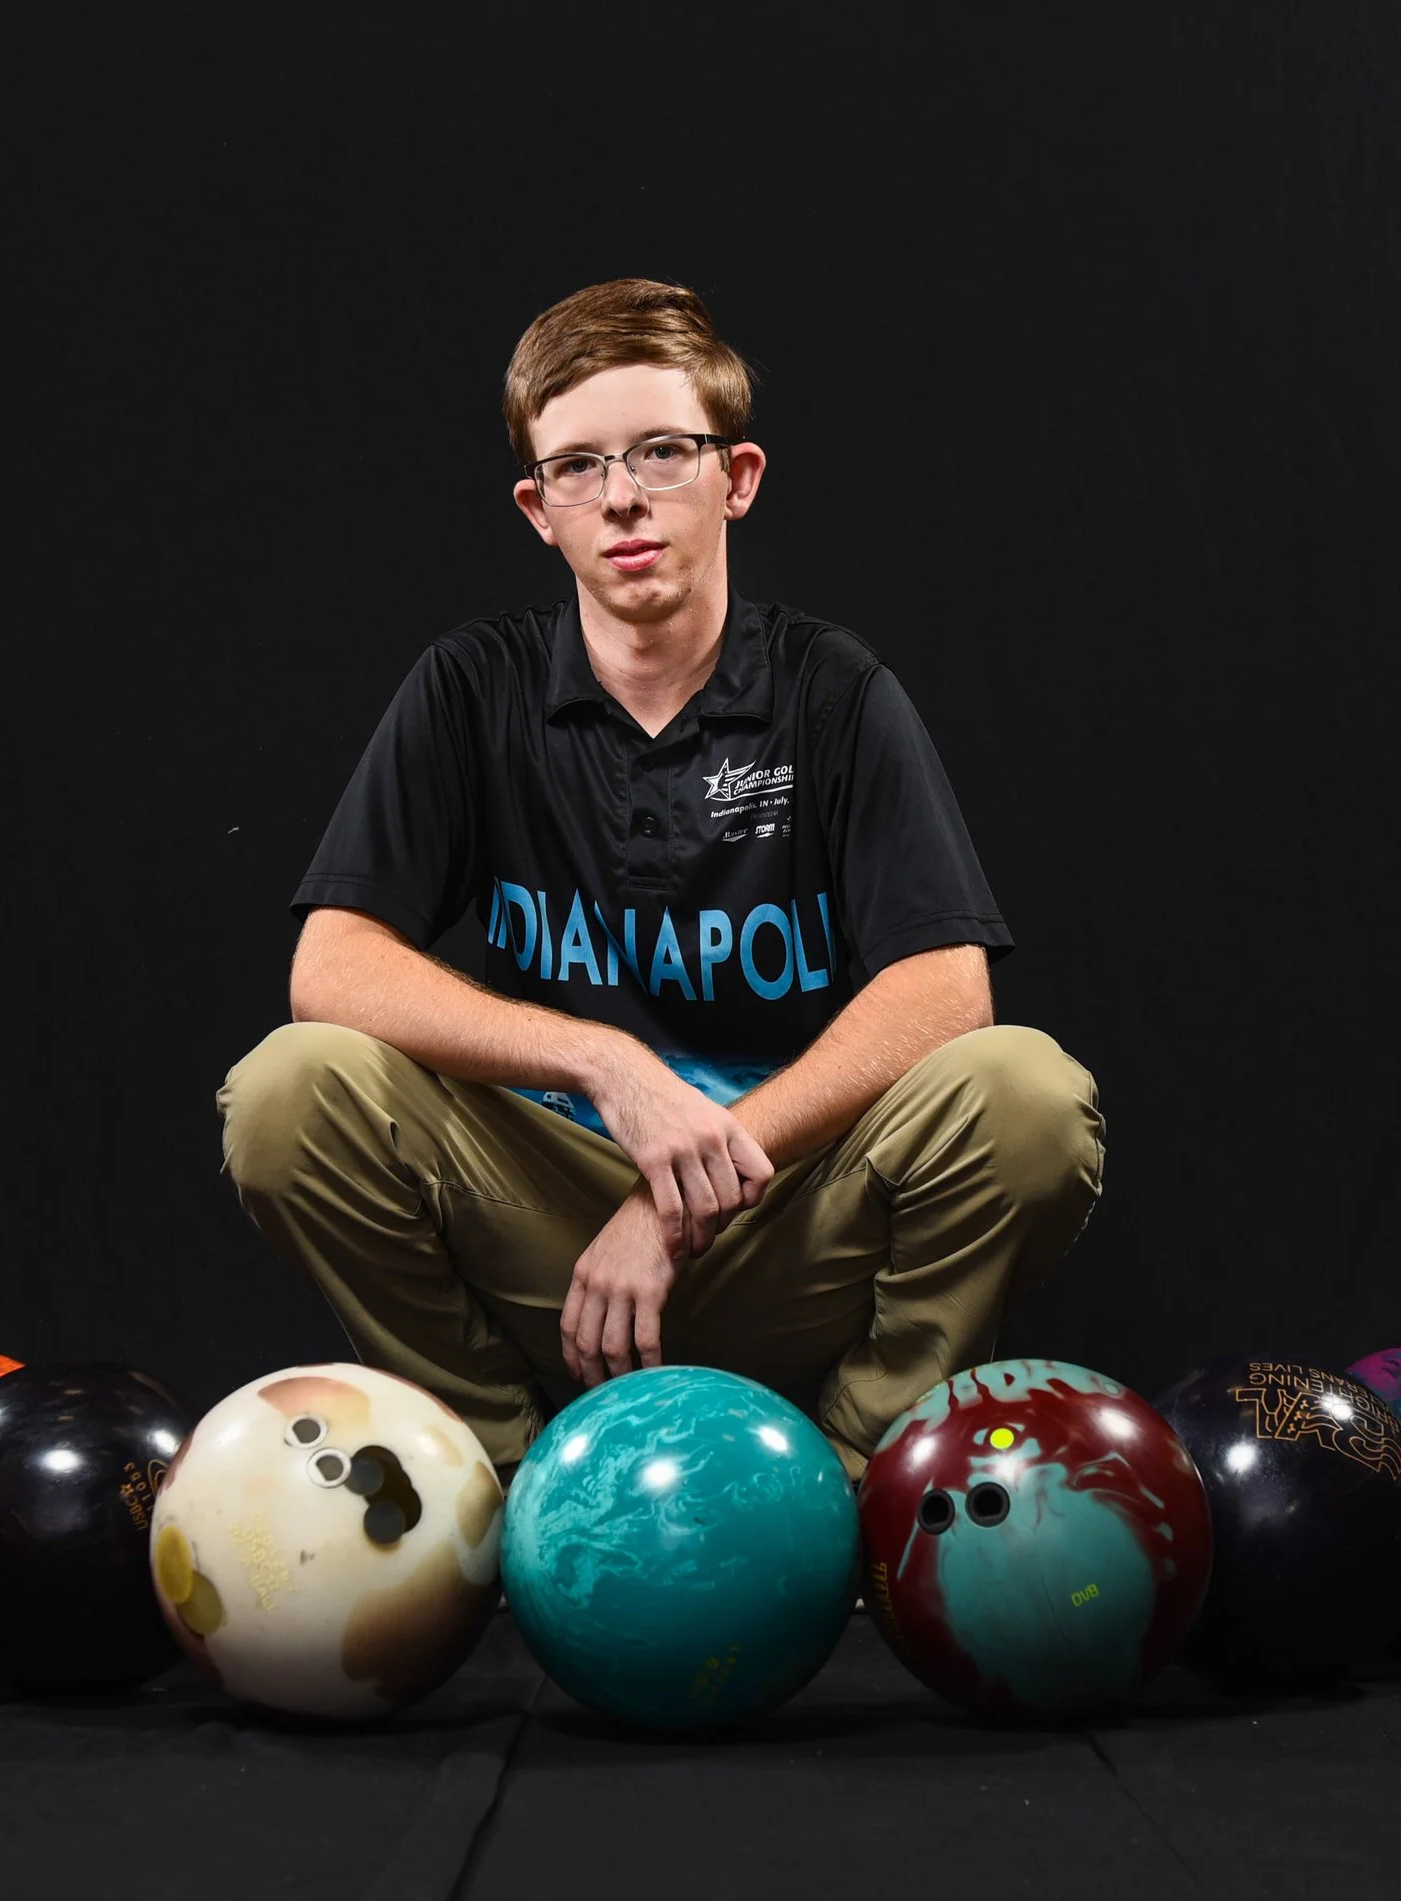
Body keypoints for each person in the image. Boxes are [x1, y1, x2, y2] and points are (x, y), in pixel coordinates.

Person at [218, 278, 1105, 1486]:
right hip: (555, 1234)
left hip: (786, 1216)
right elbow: (330, 964)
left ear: (736, 477)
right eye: (576, 466)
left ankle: (859, 1476)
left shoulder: (832, 692)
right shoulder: (472, 689)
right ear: (537, 509)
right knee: (288, 1088)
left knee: (1024, 1094)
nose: (622, 495)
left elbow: (948, 994)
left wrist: (687, 1184)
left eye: (661, 453)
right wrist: (606, 1064)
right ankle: (497, 1477)